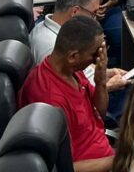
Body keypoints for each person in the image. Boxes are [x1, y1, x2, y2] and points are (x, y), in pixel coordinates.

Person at [18, 15, 114, 171]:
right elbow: (66, 168)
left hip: (104, 152)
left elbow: (99, 115)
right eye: (94, 54)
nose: (97, 59)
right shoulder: (52, 102)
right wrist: (120, 160)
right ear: (73, 56)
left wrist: (101, 81)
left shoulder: (71, 70)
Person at [30, 0, 104, 62]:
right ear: (75, 12)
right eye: (93, 14)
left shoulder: (43, 27)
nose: (94, 20)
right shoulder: (52, 47)